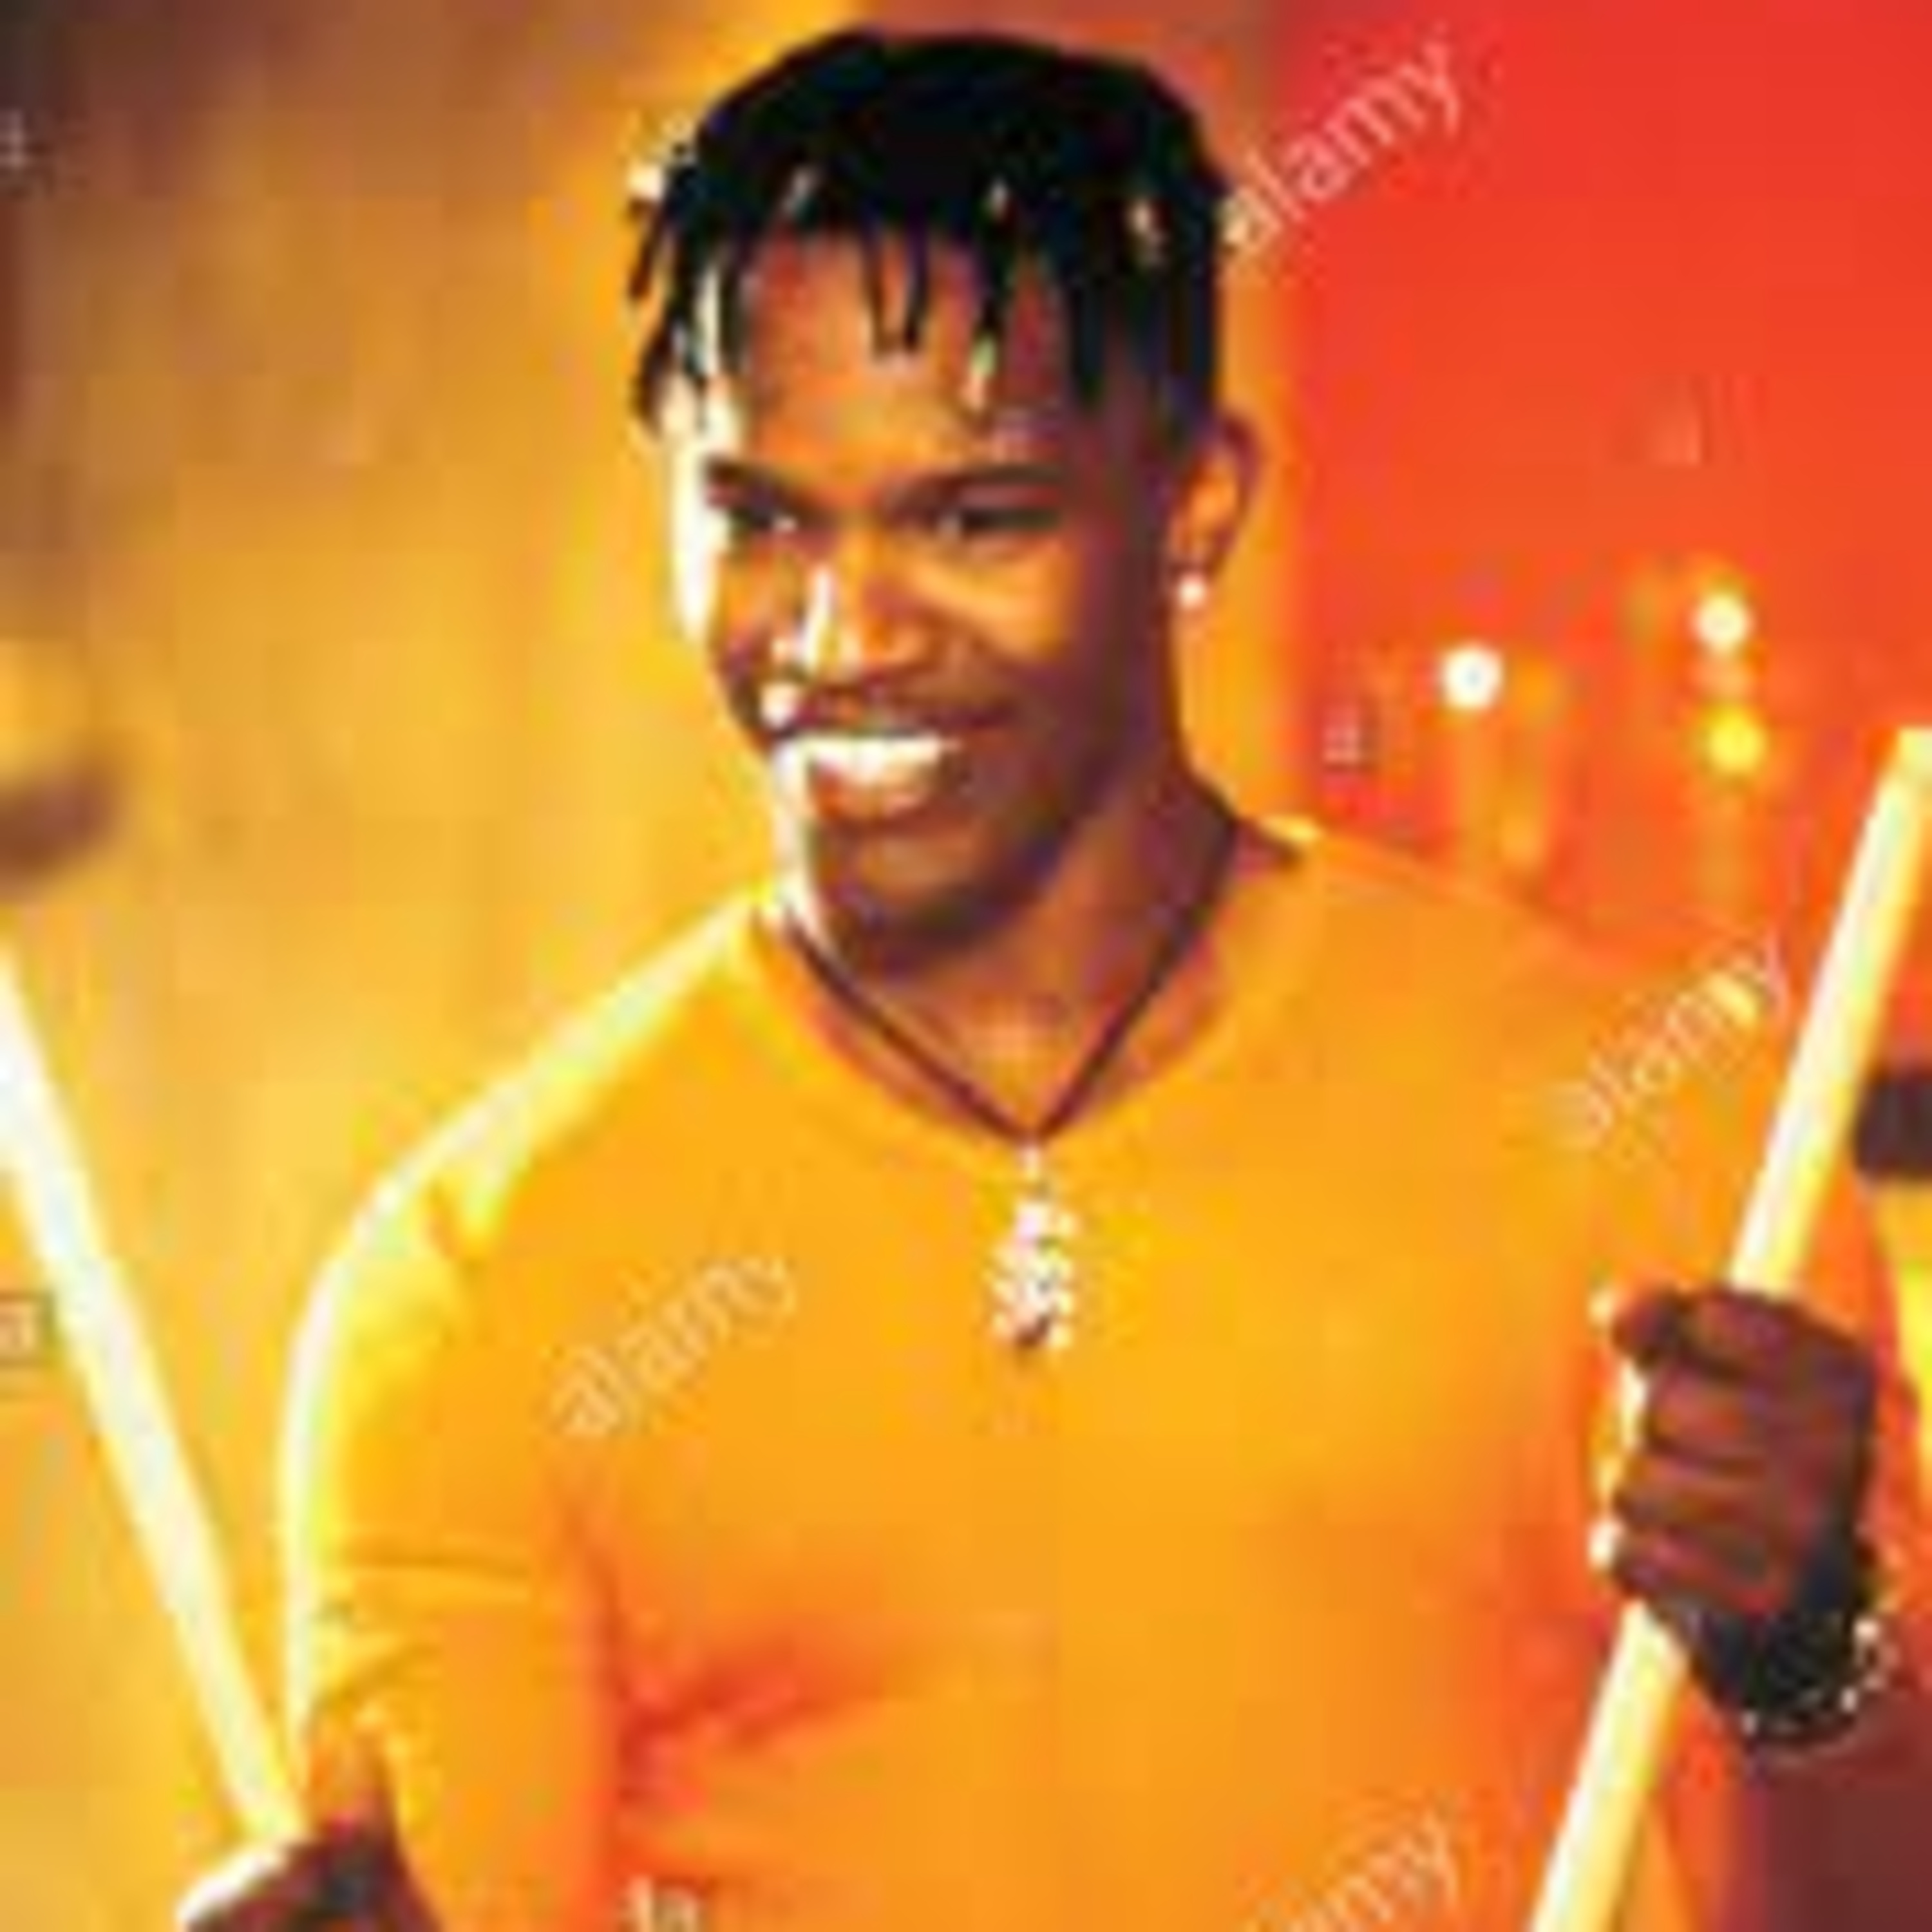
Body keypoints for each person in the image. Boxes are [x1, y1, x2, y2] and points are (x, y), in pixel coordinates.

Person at [178, 28, 1931, 1932]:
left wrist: (1808, 1651)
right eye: (762, 516)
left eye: (973, 518)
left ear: (1196, 506)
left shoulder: (1655, 1144)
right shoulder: (480, 1289)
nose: (842, 635)